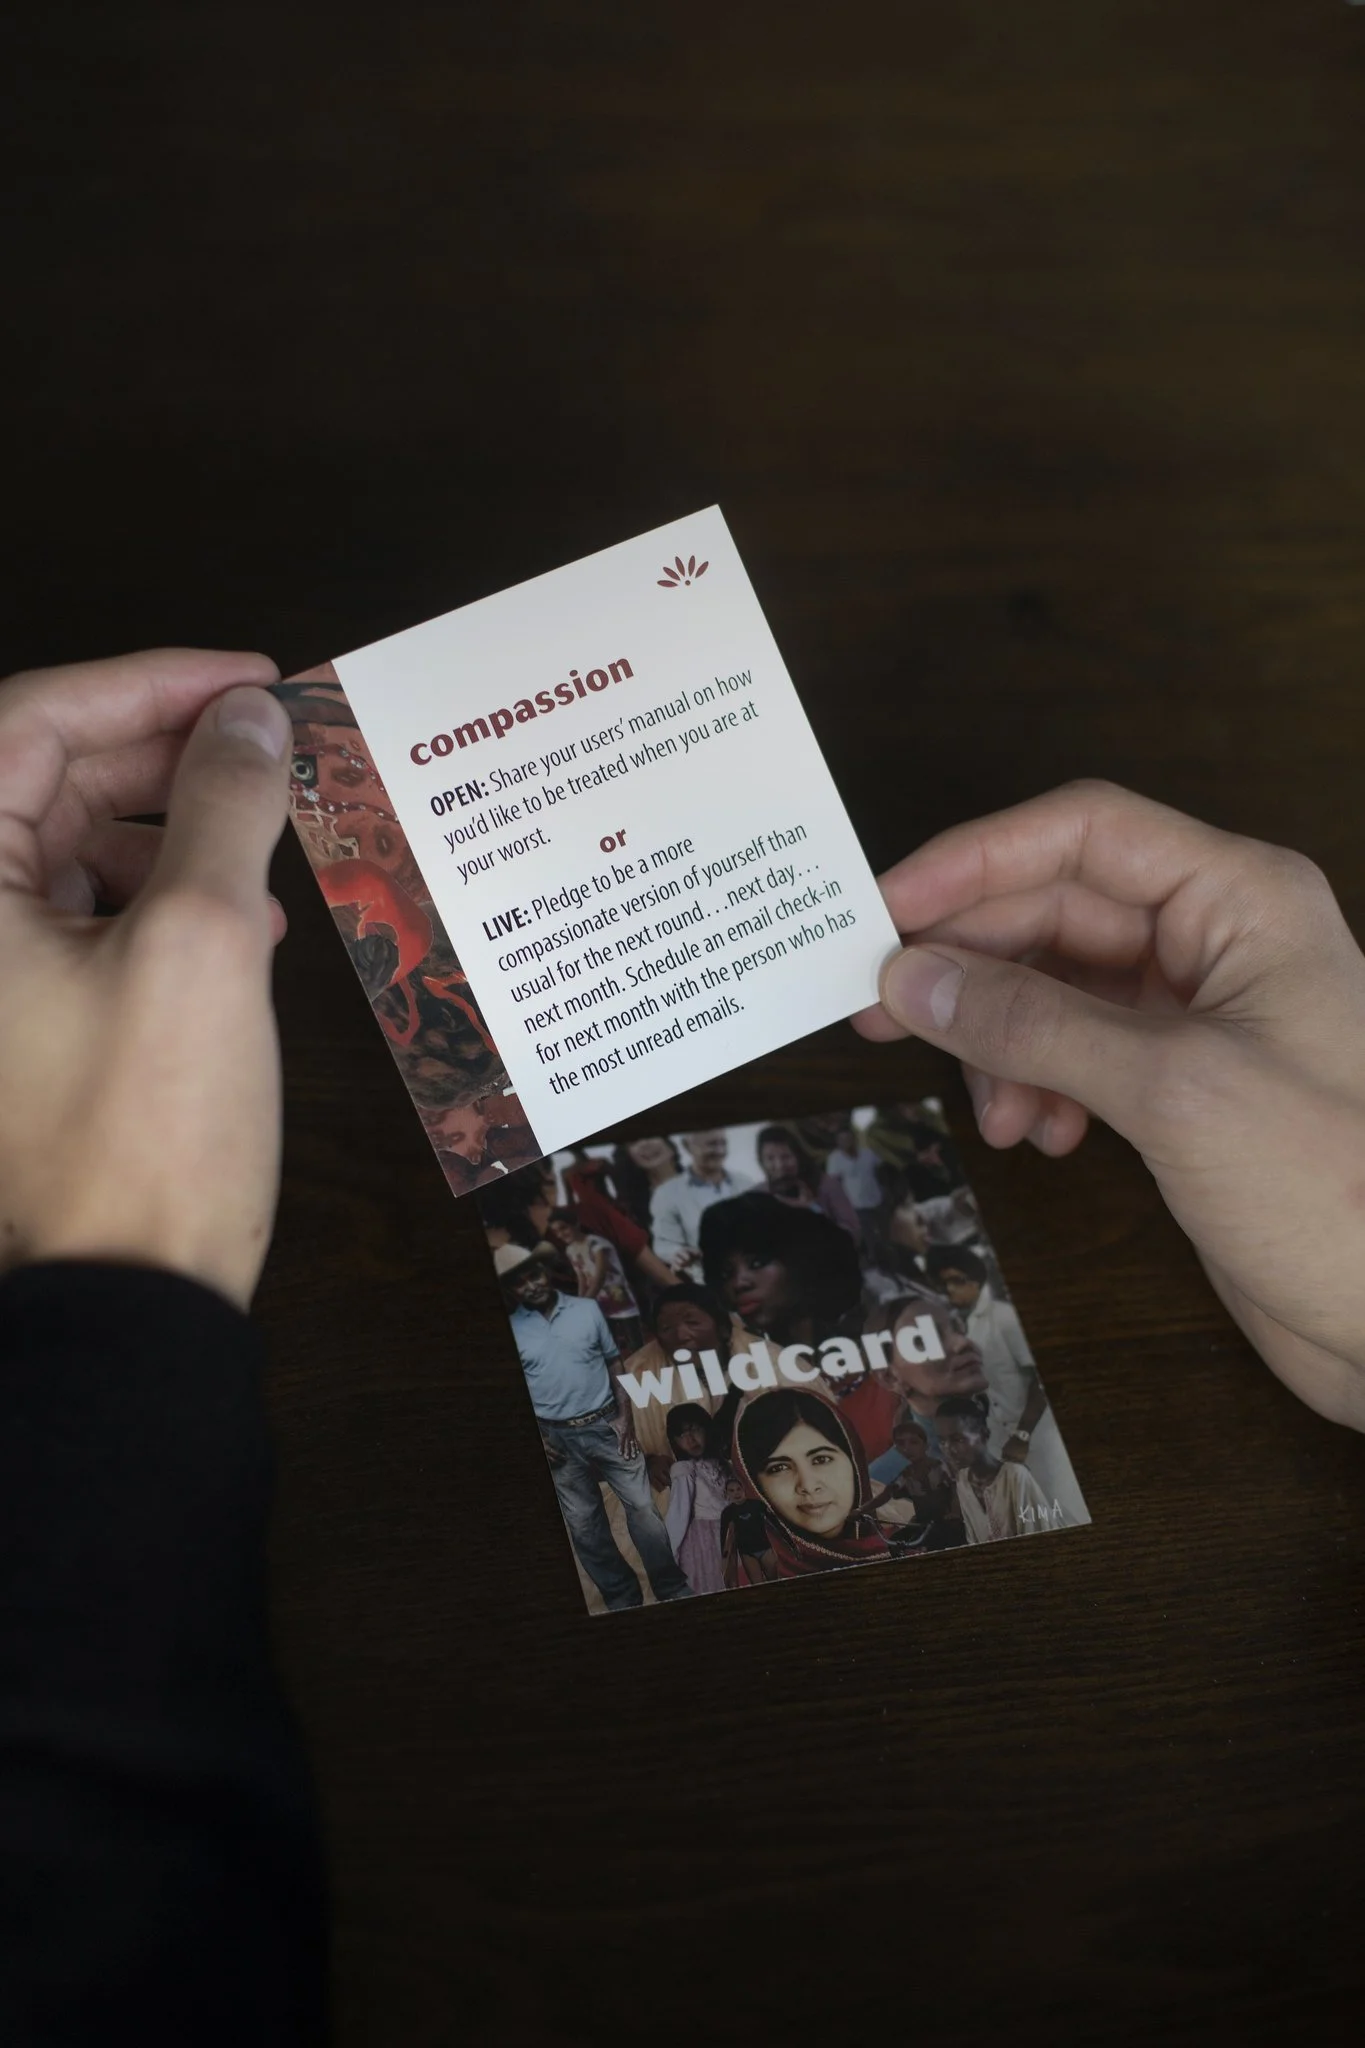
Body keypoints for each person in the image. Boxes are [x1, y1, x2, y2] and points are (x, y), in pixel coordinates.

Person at [3, 629, 1365, 2037]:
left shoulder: (926, 1439)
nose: (807, 1474)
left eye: (806, 1447)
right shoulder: (705, 1473)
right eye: (786, 1457)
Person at [495, 1243, 691, 1611]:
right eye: (519, 1282)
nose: (531, 1285)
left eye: (534, 1274)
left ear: (545, 1271)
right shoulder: (512, 1330)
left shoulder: (586, 1310)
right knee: (584, 1527)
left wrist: (625, 1418)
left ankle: (672, 1587)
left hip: (608, 1425)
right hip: (556, 1439)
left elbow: (615, 1364)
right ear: (510, 1289)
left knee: (644, 1510)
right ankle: (622, 1599)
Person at [924, 1244, 1088, 1527]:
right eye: (944, 1284)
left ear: (976, 1280)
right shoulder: (958, 1326)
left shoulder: (1003, 1317)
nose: (949, 1290)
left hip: (1037, 1432)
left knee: (1067, 1508)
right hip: (999, 1438)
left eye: (957, 1281)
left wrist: (1022, 1435)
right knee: (1032, 1516)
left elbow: (1041, 1379)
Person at [723, 1390, 891, 1585]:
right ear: (754, 1485)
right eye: (779, 1468)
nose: (808, 1486)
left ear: (854, 1462)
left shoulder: (909, 1547)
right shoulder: (748, 1586)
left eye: (821, 1459)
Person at [934, 1394, 1061, 1543]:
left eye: (958, 1439)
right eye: (942, 1441)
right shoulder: (963, 1481)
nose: (949, 1449)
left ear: (984, 1434)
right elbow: (973, 1538)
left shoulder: (1015, 1476)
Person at [649, 1128, 753, 1279]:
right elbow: (664, 1243)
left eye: (723, 1143)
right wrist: (678, 1253)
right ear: (687, 1146)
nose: (719, 1151)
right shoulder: (667, 1194)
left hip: (756, 1275)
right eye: (712, 1144)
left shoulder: (746, 1184)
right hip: (709, 1280)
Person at [545, 1204, 645, 1357]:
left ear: (575, 1224)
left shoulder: (597, 1244)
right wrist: (579, 1303)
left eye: (563, 1228)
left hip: (619, 1297)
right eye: (556, 1232)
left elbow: (600, 1277)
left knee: (634, 1342)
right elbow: (582, 1278)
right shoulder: (570, 1250)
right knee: (610, 1343)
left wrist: (585, 1304)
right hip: (599, 1302)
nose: (560, 1234)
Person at [662, 1403, 737, 1596]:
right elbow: (677, 1517)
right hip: (705, 1543)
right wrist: (670, 1559)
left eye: (694, 1429)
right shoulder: (684, 1470)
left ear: (707, 1428)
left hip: (732, 1534)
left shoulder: (726, 1464)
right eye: (681, 1435)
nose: (690, 1439)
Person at [754, 1123, 861, 1238]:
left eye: (786, 1156)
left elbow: (853, 1233)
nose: (780, 1166)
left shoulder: (827, 1184)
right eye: (770, 1158)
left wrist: (812, 1208)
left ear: (798, 1156)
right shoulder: (757, 1196)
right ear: (762, 1162)